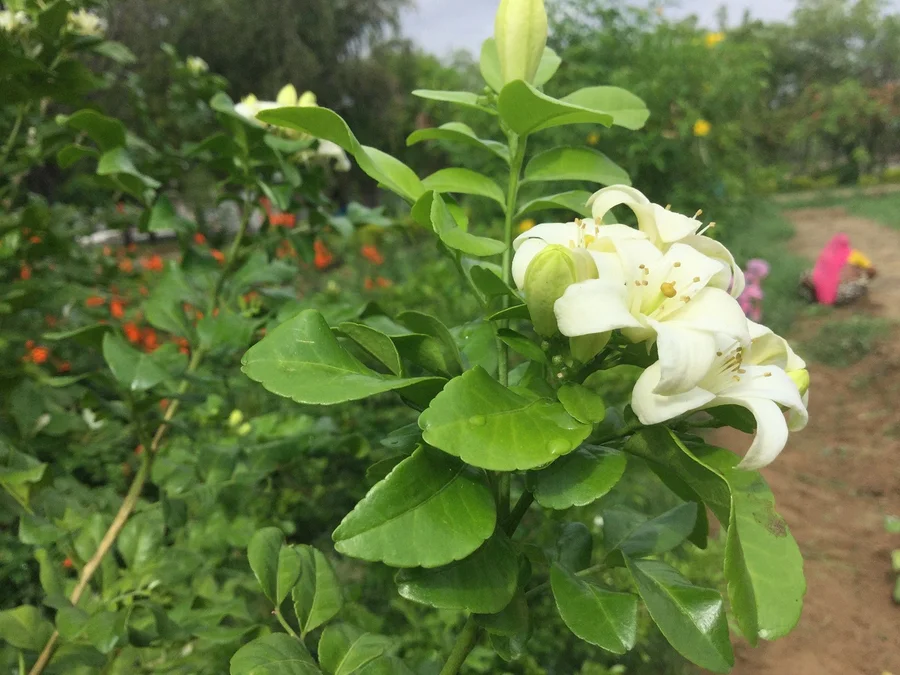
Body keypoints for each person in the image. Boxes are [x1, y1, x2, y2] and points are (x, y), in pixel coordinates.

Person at [799, 233, 876, 305]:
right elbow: (872, 270)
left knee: (807, 275)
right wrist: (865, 279)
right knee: (859, 286)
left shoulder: (827, 254)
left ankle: (817, 296)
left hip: (831, 289)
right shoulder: (854, 254)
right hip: (840, 291)